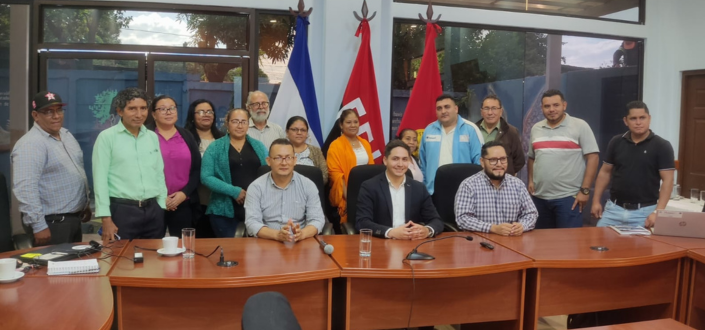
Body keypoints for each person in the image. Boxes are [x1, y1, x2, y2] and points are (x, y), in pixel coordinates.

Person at [12, 91, 91, 246]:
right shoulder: (30, 144)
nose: (56, 116)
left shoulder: (66, 135)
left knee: (73, 267)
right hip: (51, 223)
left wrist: (84, 204)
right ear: (35, 115)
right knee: (52, 268)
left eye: (58, 110)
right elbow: (25, 188)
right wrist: (38, 225)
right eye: (48, 112)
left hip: (72, 219)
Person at [93, 88, 167, 242]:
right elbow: (100, 180)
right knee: (121, 262)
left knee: (153, 261)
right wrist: (105, 218)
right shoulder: (107, 138)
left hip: (153, 210)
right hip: (122, 211)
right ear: (120, 111)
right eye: (132, 109)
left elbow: (159, 172)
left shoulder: (152, 137)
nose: (139, 114)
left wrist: (161, 205)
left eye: (143, 108)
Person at [591, 101, 675, 228]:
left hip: (644, 213)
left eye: (642, 118)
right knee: (598, 244)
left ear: (649, 118)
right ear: (626, 121)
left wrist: (658, 212)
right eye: (633, 118)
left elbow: (668, 180)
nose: (638, 122)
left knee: (641, 248)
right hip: (614, 210)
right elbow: (605, 172)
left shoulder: (662, 146)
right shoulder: (616, 142)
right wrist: (596, 201)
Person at [527, 89, 599, 229]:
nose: (551, 109)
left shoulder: (580, 126)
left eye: (556, 105)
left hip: (568, 199)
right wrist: (530, 180)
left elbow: (593, 158)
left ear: (564, 105)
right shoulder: (536, 128)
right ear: (542, 108)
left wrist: (585, 191)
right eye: (547, 106)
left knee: (568, 246)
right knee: (542, 246)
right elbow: (532, 157)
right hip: (540, 198)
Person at [356, 140, 444, 239]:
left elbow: (436, 220)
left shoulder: (419, 188)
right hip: (381, 243)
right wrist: (391, 232)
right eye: (395, 159)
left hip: (411, 243)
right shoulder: (369, 186)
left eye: (405, 159)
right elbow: (362, 222)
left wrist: (427, 230)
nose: (400, 164)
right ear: (385, 160)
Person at [201, 108, 267, 238]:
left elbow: (268, 173)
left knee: (255, 252)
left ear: (248, 124)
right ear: (227, 123)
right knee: (229, 252)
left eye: (243, 122)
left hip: (257, 208)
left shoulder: (259, 146)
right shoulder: (215, 147)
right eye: (235, 121)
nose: (240, 125)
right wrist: (234, 191)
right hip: (223, 210)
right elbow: (206, 177)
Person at [244, 139, 324, 241]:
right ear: (268, 161)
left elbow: (317, 220)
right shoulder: (256, 187)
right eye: (278, 158)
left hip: (300, 242)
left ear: (295, 160)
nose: (284, 163)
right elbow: (252, 223)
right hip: (267, 241)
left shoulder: (308, 185)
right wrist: (277, 235)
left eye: (288, 158)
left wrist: (302, 233)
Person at [455, 141, 537, 235]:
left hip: (511, 241)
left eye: (503, 159)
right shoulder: (468, 185)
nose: (499, 164)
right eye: (493, 160)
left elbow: (531, 213)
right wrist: (492, 228)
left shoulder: (517, 184)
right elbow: (462, 218)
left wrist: (522, 226)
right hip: (480, 242)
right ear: (482, 162)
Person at [148, 95, 201, 237]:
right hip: (153, 203)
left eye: (172, 108)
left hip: (182, 201)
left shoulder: (187, 136)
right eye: (163, 109)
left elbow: (196, 169)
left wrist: (184, 194)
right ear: (153, 114)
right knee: (152, 248)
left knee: (182, 248)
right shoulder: (146, 136)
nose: (168, 112)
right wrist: (161, 197)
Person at [419, 94, 483, 194]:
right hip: (433, 191)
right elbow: (423, 163)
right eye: (439, 108)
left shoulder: (471, 129)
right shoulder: (428, 130)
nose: (443, 111)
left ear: (456, 109)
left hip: (464, 191)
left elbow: (480, 163)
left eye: (447, 107)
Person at [184, 99, 224, 238]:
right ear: (192, 116)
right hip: (194, 198)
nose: (206, 114)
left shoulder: (223, 138)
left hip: (219, 197)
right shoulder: (185, 138)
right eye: (201, 112)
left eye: (209, 111)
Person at [327, 109, 374, 224]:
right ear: (341, 125)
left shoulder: (365, 143)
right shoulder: (335, 146)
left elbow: (372, 170)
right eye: (348, 122)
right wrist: (351, 199)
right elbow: (336, 175)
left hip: (366, 194)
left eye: (355, 122)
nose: (353, 125)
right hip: (347, 197)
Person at [475, 95, 525, 175]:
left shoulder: (511, 131)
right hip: (478, 181)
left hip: (502, 180)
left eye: (494, 108)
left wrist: (505, 173)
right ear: (481, 112)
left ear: (501, 111)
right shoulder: (473, 130)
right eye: (486, 108)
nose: (490, 113)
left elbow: (519, 161)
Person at [285, 116, 328, 185]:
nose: (299, 133)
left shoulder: (316, 151)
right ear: (287, 132)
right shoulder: (281, 150)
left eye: (303, 130)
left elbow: (324, 176)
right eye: (295, 129)